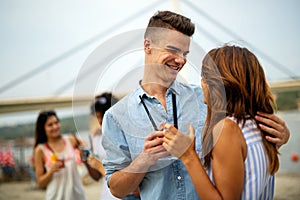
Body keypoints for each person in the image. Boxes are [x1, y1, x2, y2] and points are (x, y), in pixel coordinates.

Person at [101, 10, 290, 199]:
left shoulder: (210, 98)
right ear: (147, 45)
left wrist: (278, 136)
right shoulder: (116, 117)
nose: (181, 60)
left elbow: (245, 138)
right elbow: (117, 190)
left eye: (185, 53)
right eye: (173, 50)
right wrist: (144, 160)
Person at [163, 45, 281, 199]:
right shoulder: (259, 126)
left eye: (204, 77)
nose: (202, 84)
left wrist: (188, 155)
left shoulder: (227, 129)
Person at [34, 110, 88, 200]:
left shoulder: (71, 140)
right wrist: (51, 171)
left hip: (78, 196)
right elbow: (40, 183)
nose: (55, 126)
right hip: (55, 197)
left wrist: (84, 153)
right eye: (50, 125)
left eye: (56, 122)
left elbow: (87, 147)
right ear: (43, 128)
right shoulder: (40, 150)